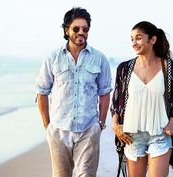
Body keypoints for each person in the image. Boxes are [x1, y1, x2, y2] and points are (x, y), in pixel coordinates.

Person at [36, 7, 112, 177]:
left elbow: (104, 92)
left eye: (85, 29)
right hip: (58, 131)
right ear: (66, 30)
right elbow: (42, 92)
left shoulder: (100, 58)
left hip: (88, 130)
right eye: (76, 28)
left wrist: (100, 124)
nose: (81, 32)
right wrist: (47, 125)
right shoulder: (52, 58)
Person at [111, 21, 173, 177]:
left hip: (159, 135)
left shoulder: (169, 67)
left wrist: (171, 126)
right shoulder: (124, 68)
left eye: (138, 38)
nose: (134, 43)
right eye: (132, 39)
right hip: (132, 137)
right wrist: (115, 125)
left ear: (153, 39)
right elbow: (116, 101)